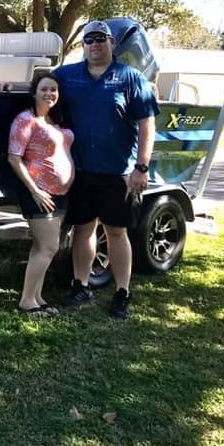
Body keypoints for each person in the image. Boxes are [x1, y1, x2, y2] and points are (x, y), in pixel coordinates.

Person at [54, 20, 159, 320]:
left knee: (116, 231)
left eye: (101, 39)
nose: (95, 44)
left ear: (112, 43)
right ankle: (81, 285)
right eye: (89, 39)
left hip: (119, 173)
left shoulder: (131, 78)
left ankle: (122, 292)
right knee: (83, 229)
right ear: (83, 45)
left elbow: (146, 123)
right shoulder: (68, 75)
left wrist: (141, 167)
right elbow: (40, 86)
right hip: (81, 170)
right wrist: (8, 85)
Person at [6, 71, 74, 317]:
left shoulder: (55, 121)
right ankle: (26, 302)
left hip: (60, 192)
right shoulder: (25, 120)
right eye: (44, 89)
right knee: (48, 246)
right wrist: (35, 191)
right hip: (39, 192)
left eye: (53, 89)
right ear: (34, 92)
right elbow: (14, 157)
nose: (49, 94)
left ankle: (36, 296)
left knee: (42, 247)